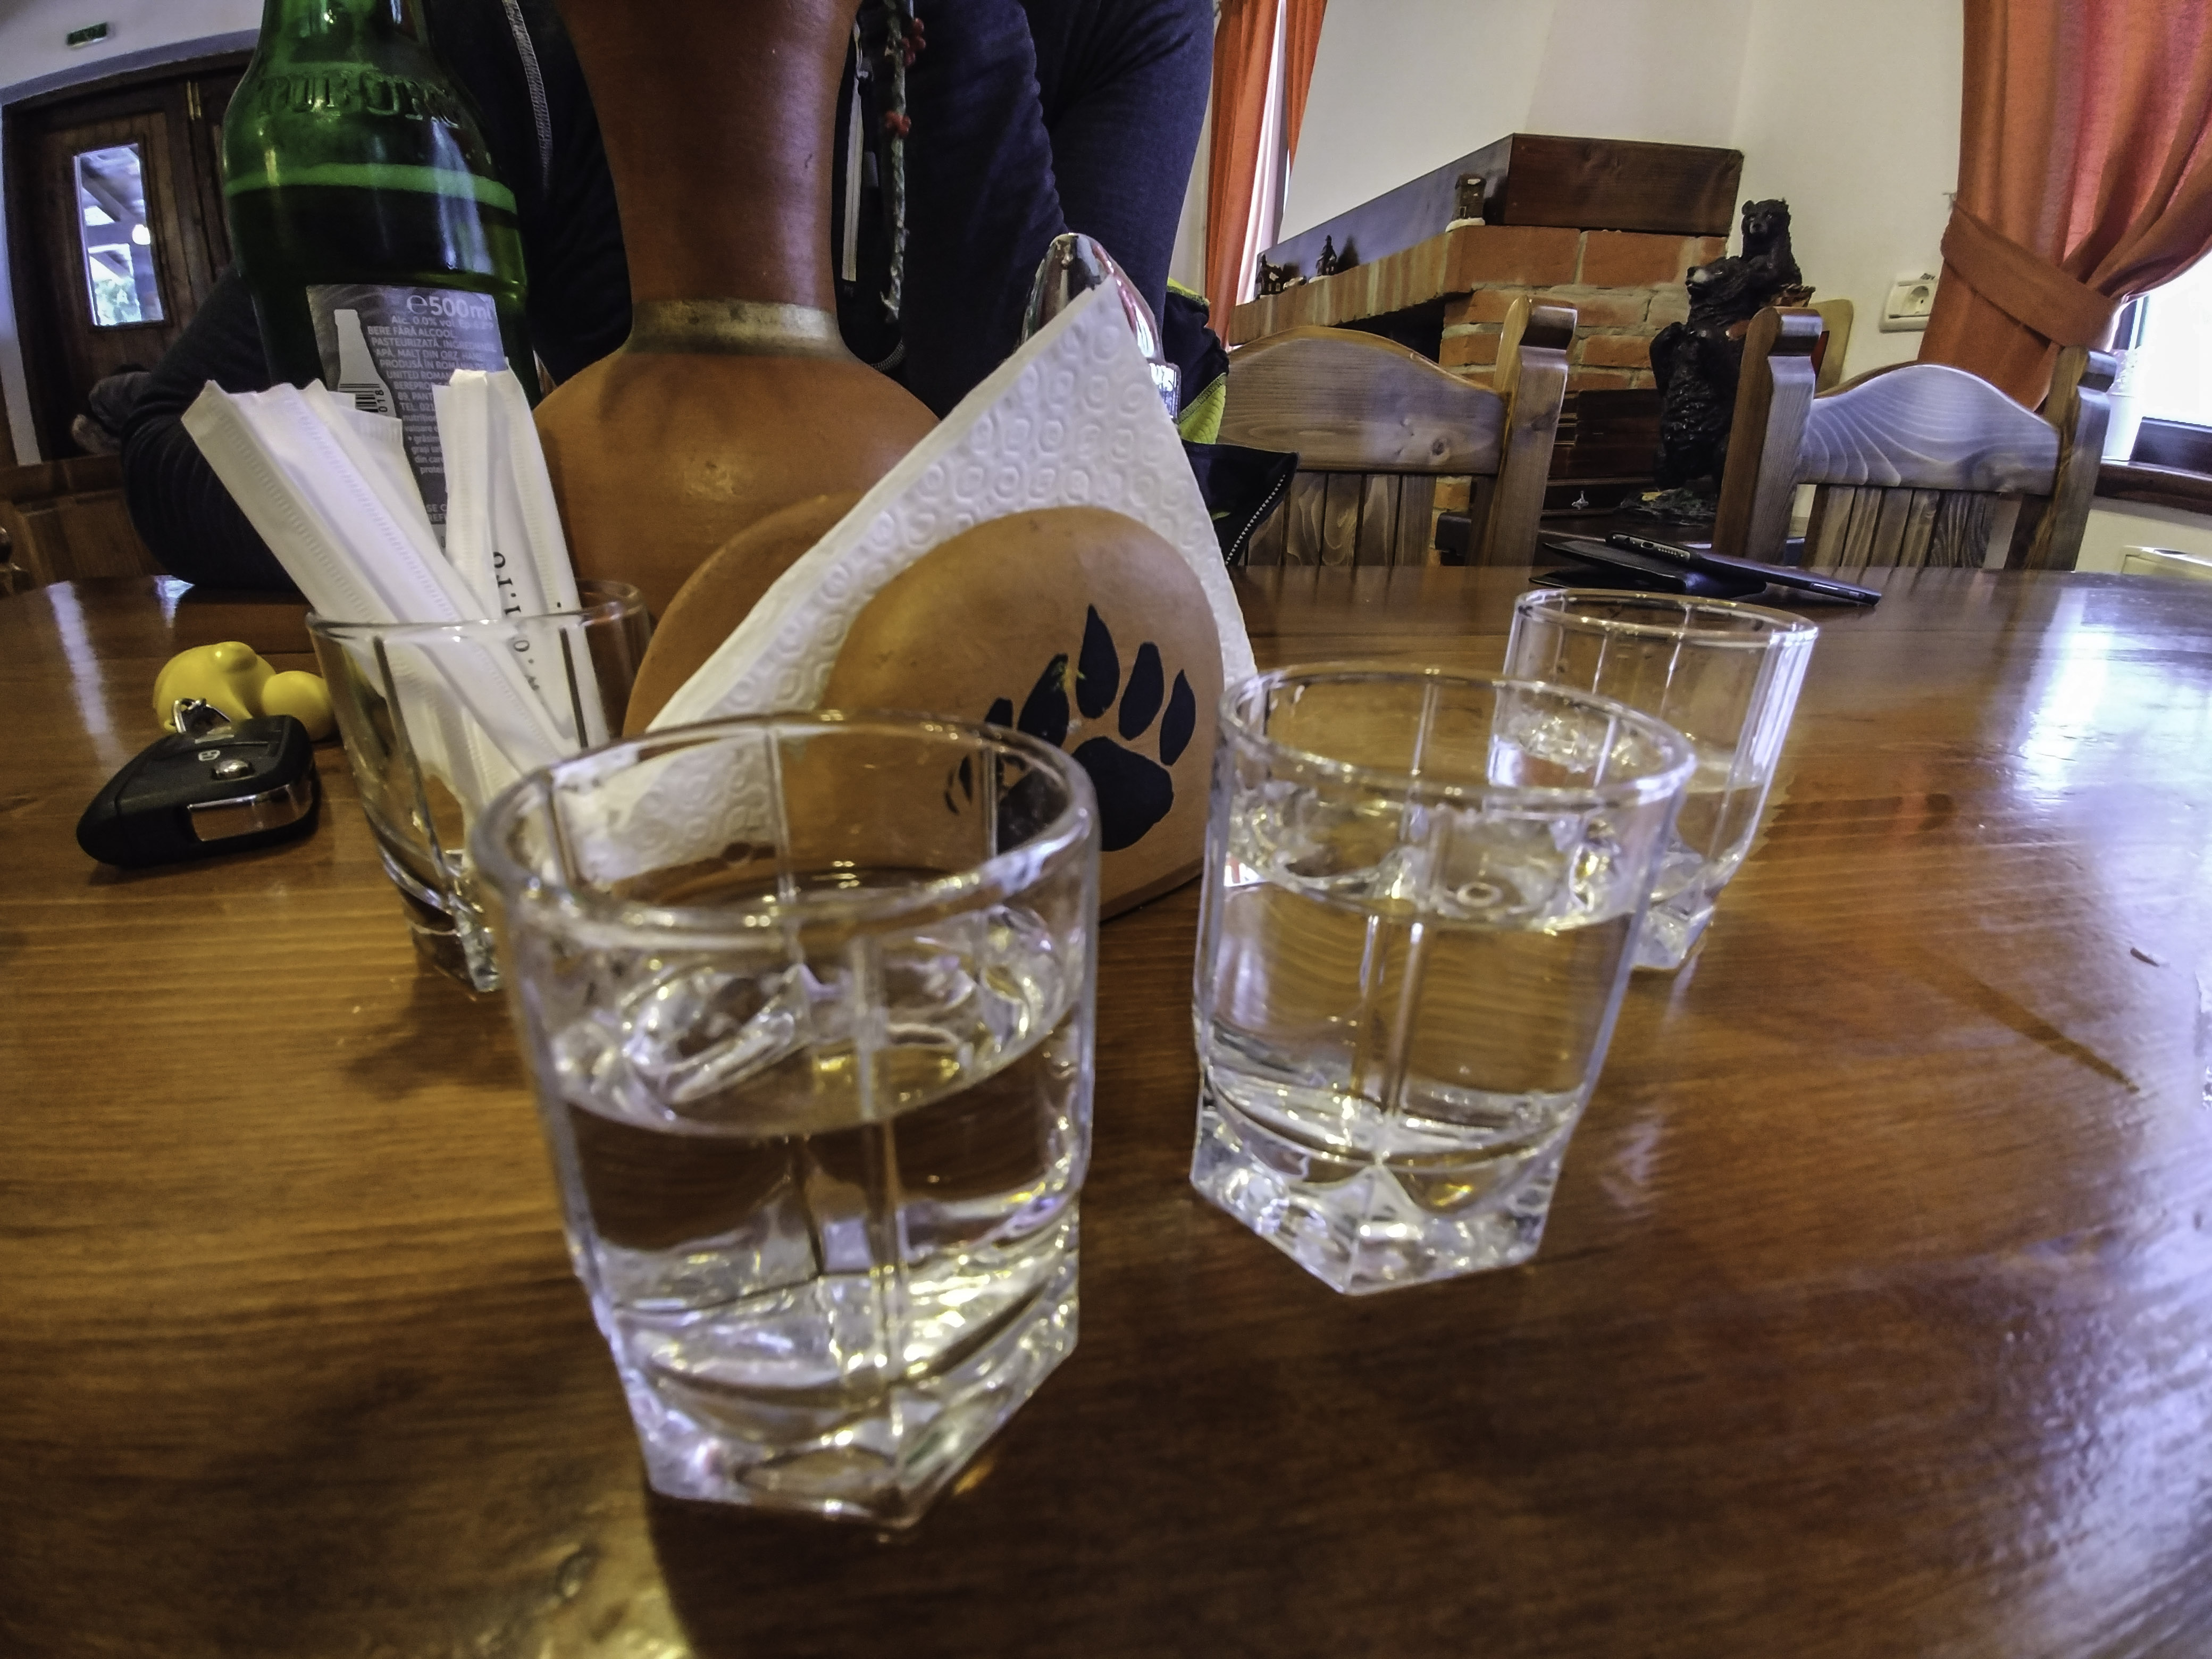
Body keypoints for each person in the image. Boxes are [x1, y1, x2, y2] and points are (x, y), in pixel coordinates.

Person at [121, 0, 1212, 590]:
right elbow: (175, 451)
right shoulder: (490, 41)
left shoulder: (1120, 20)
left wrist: (962, 31)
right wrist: (515, 526)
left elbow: (1066, 450)